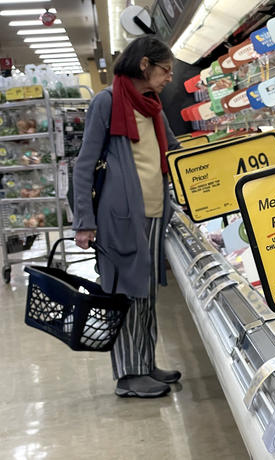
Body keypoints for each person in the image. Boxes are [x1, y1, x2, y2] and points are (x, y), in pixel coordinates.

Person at [72, 36, 181, 398]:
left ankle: (145, 363)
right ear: (145, 64)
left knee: (146, 295)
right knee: (125, 295)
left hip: (153, 214)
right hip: (119, 218)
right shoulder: (107, 103)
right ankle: (128, 375)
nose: (169, 78)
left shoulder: (152, 104)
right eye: (166, 70)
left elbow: (176, 151)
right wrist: (84, 222)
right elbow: (85, 165)